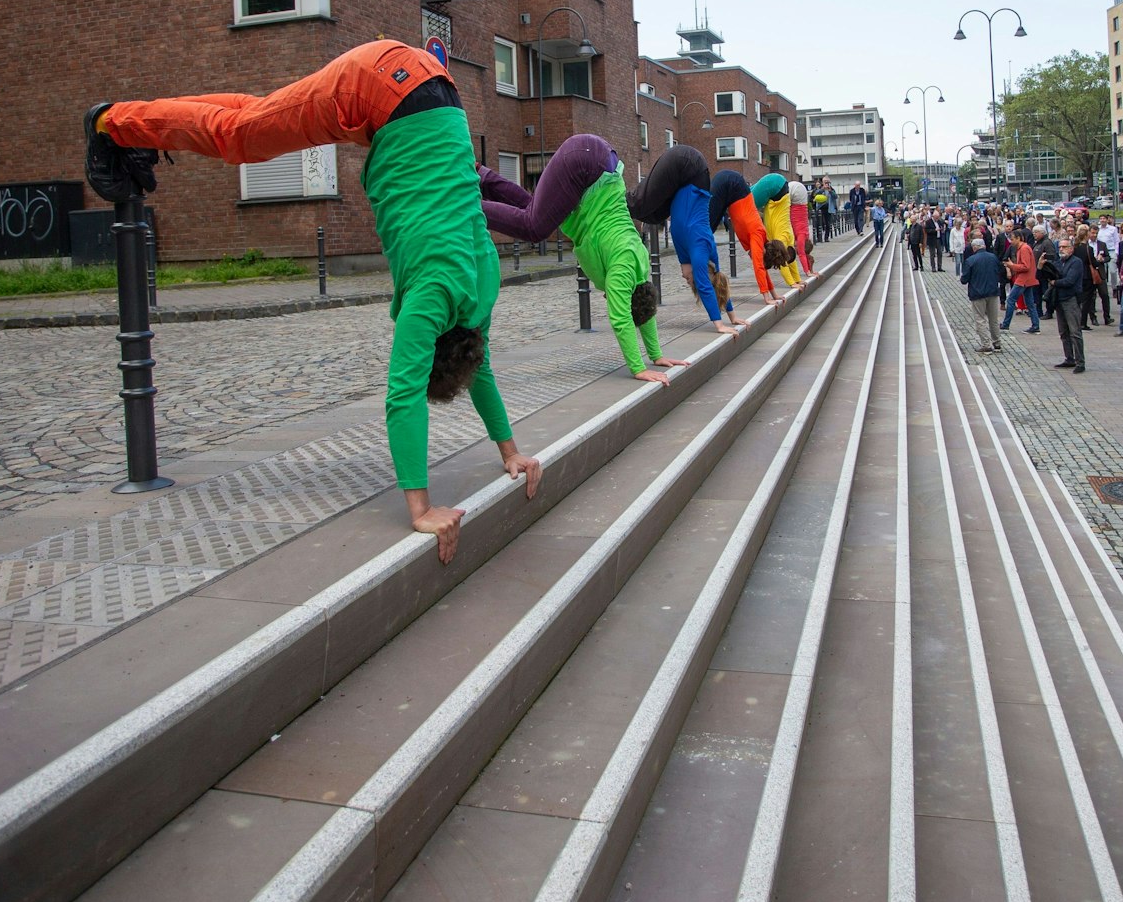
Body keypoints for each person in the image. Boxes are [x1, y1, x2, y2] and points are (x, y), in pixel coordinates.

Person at [84, 39, 541, 560]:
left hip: (433, 98)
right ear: (434, 347)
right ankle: (111, 123)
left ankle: (143, 125)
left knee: (256, 119)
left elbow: (480, 370)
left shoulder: (481, 293)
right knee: (240, 136)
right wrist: (420, 508)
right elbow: (403, 395)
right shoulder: (431, 299)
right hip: (381, 87)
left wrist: (512, 452)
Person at [477, 136, 687, 385]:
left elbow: (645, 314)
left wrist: (657, 355)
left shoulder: (639, 265)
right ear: (628, 294)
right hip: (586, 165)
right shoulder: (623, 267)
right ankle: (465, 205)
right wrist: (638, 368)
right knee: (533, 228)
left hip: (597, 159)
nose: (609, 297)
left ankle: (480, 174)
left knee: (534, 211)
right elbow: (622, 319)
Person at [628, 145, 746, 340]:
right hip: (687, 163)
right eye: (692, 280)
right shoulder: (699, 251)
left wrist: (733, 316)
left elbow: (719, 287)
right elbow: (706, 285)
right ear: (700, 273)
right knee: (638, 204)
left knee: (652, 215)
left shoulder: (701, 257)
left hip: (688, 176)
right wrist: (719, 324)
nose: (686, 280)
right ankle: (608, 194)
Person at [710, 169, 787, 306]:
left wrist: (774, 294)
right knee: (707, 225)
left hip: (733, 188)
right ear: (765, 252)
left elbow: (761, 267)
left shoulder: (760, 240)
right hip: (730, 184)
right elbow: (759, 266)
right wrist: (766, 297)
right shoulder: (758, 235)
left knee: (710, 227)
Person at [1045, 236, 1088, 373]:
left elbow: (1069, 280)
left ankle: (1080, 362)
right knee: (1063, 332)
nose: (1061, 249)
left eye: (1064, 247)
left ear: (1071, 248)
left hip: (1071, 299)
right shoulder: (1059, 262)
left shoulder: (1076, 262)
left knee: (1075, 332)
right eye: (1060, 247)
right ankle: (1069, 358)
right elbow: (1049, 274)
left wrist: (1055, 282)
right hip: (1059, 299)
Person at [963, 237, 1003, 353]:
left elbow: (964, 279)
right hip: (993, 292)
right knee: (993, 319)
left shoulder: (970, 260)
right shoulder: (993, 257)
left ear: (974, 247)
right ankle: (997, 343)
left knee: (980, 319)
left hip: (977, 293)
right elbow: (999, 271)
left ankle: (986, 344)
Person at [1004, 228, 1041, 334]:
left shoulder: (1024, 248)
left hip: (1023, 279)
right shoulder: (1024, 248)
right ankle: (1035, 325)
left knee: (1011, 300)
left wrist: (1012, 266)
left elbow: (1026, 266)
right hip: (1027, 279)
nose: (1011, 242)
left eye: (1012, 239)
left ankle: (1006, 324)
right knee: (1029, 303)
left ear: (1018, 238)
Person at [787, 178, 815, 274]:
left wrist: (811, 269)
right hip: (797, 194)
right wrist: (807, 272)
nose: (796, 248)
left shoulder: (806, 234)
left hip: (801, 196)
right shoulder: (801, 236)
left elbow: (805, 254)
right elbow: (802, 254)